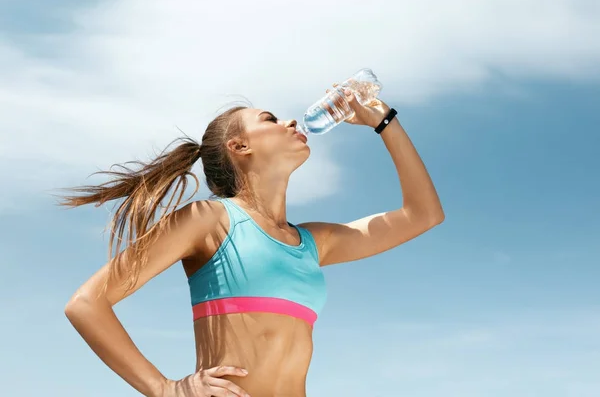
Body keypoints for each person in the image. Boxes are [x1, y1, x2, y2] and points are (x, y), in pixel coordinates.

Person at [61, 86, 444, 397]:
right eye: (270, 119)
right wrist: (163, 389)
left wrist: (384, 120)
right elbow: (87, 304)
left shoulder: (313, 242)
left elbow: (423, 215)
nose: (290, 121)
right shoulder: (209, 220)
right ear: (239, 147)